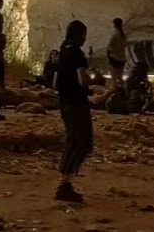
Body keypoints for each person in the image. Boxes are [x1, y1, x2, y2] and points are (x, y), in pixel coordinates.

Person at [46, 20, 94, 204]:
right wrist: (93, 84)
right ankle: (65, 183)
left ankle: (64, 179)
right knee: (84, 143)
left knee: (72, 140)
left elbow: (55, 82)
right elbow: (82, 80)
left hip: (64, 103)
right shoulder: (78, 54)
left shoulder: (62, 52)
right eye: (84, 34)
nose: (85, 38)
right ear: (79, 34)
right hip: (77, 103)